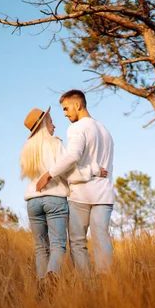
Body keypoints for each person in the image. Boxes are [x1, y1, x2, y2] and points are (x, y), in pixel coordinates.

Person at [20, 106, 107, 282]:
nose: (54, 126)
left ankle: (41, 286)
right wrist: (94, 170)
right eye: (51, 122)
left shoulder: (26, 149)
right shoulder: (55, 144)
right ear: (44, 124)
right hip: (54, 199)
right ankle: (51, 278)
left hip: (32, 203)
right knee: (58, 245)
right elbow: (69, 172)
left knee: (41, 249)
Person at [36, 90, 115, 275]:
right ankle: (106, 285)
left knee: (78, 243)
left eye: (66, 109)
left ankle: (88, 286)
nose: (65, 114)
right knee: (102, 238)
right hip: (104, 194)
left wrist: (49, 174)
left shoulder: (77, 128)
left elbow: (72, 156)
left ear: (77, 105)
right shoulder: (105, 131)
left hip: (81, 194)